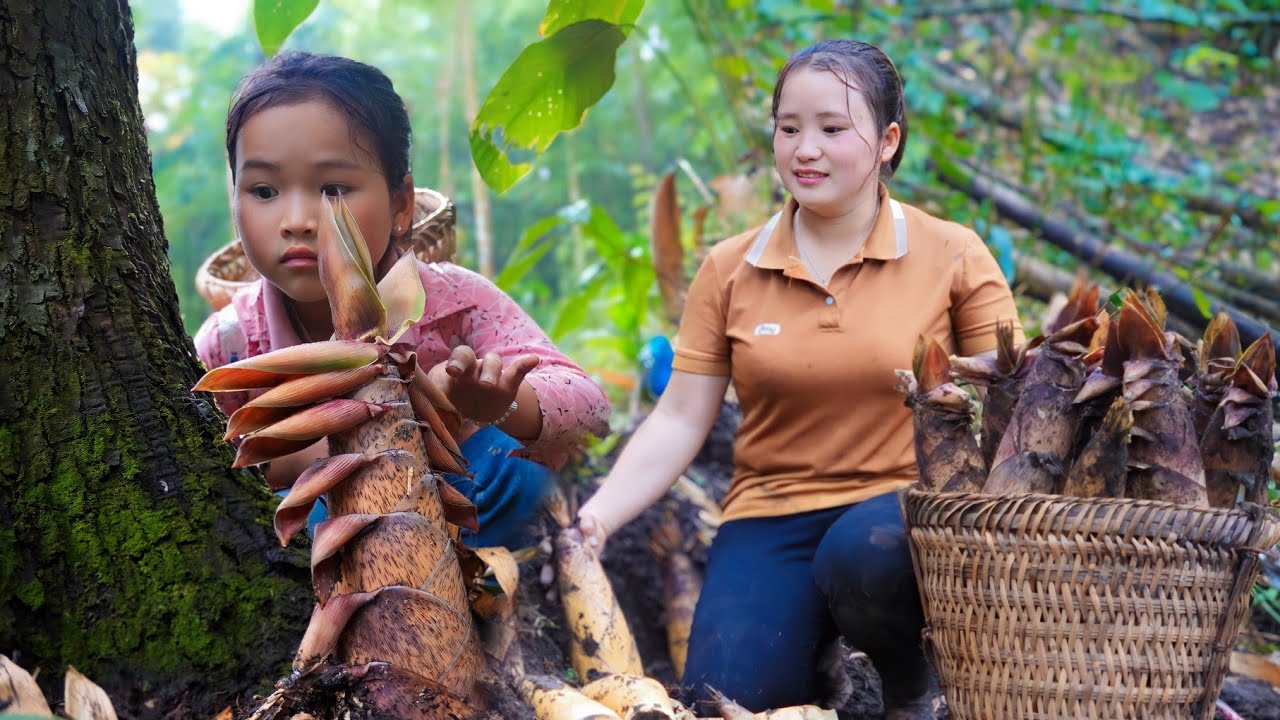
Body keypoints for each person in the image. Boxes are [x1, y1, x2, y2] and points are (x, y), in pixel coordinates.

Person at [577, 40, 1023, 718]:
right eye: (789, 129)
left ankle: (911, 686)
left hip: (906, 515)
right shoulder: (730, 268)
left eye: (832, 129)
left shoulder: (952, 254)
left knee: (863, 556)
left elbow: (1019, 397)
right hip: (772, 513)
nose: (805, 149)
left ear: (887, 141)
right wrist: (599, 516)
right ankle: (821, 670)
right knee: (721, 701)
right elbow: (679, 418)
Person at [194, 51, 611, 549]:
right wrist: (384, 425)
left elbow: (592, 410)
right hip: (332, 559)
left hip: (470, 527)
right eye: (264, 190)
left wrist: (498, 403)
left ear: (400, 205)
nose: (297, 220)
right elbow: (218, 472)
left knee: (506, 471)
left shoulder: (453, 301)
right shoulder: (232, 347)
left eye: (332, 188)